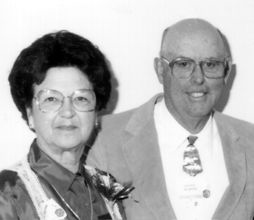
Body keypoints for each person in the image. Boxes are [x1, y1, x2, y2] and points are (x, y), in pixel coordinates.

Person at [87, 18, 254, 220]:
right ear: (160, 70)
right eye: (183, 64)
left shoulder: (250, 142)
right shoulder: (104, 139)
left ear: (226, 72)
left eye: (211, 64)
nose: (198, 78)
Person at [0, 31, 126, 220]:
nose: (67, 112)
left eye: (81, 98)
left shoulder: (106, 187)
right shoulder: (8, 194)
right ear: (29, 114)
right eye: (51, 99)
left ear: (96, 112)